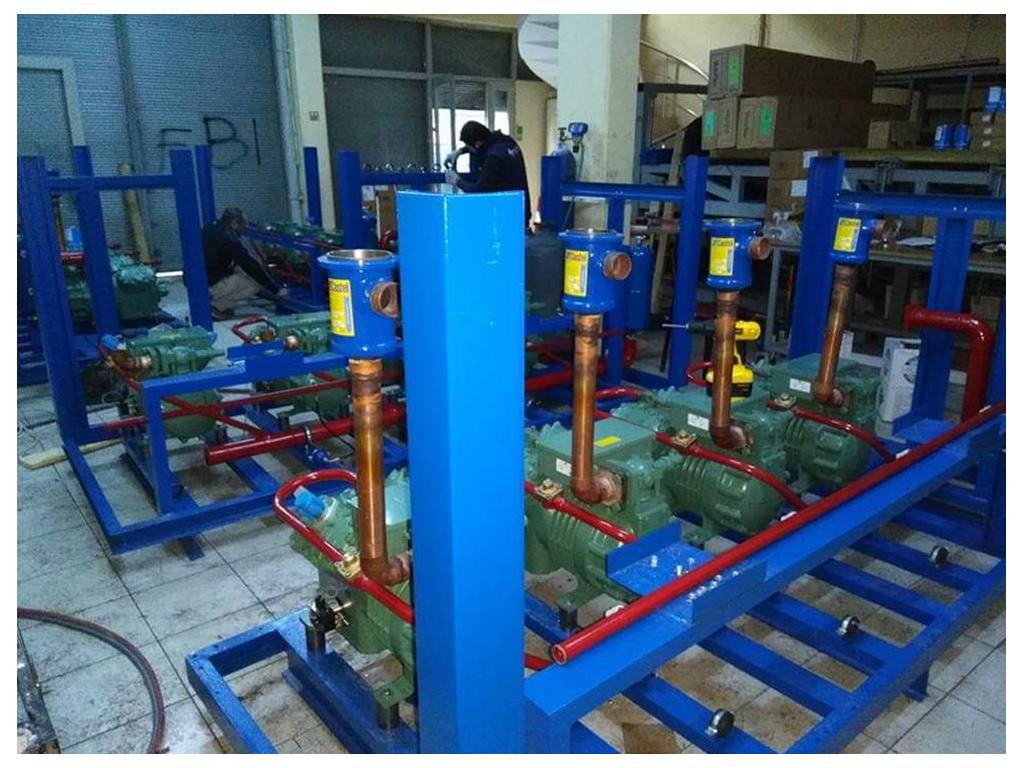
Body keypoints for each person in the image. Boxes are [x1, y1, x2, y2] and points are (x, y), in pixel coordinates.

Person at [445, 120, 531, 225]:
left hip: (507, 217)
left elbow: (478, 191)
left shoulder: (494, 158)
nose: (469, 149)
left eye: (468, 146)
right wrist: (460, 151)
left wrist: (457, 180)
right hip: (520, 209)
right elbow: (483, 145)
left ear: (477, 144)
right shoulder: (507, 141)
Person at [202, 208, 282, 319]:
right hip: (209, 281)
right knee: (255, 283)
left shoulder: (210, 228)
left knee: (240, 270)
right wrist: (274, 289)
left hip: (198, 279)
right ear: (234, 223)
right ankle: (217, 307)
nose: (243, 229)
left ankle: (218, 300)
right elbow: (248, 263)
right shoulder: (229, 238)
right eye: (243, 225)